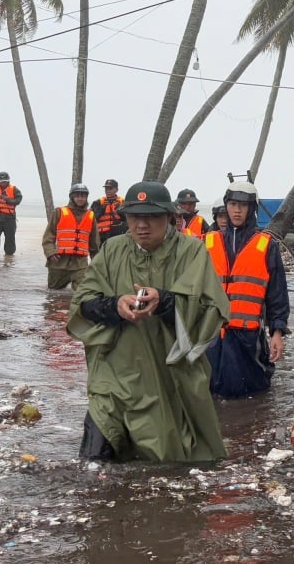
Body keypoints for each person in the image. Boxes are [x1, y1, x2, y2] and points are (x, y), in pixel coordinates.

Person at [67, 181, 230, 462]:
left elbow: (210, 310)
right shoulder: (111, 250)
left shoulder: (191, 251)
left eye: (151, 217)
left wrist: (165, 301)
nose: (142, 225)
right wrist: (114, 305)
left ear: (169, 217)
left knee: (170, 460)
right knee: (93, 459)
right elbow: (82, 304)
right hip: (116, 372)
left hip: (168, 374)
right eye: (135, 217)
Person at [204, 181, 290, 398]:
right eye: (232, 204)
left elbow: (277, 295)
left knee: (252, 391)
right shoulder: (207, 243)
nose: (236, 210)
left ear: (252, 209)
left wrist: (277, 333)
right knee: (212, 391)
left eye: (243, 205)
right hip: (212, 334)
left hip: (248, 335)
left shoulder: (265, 245)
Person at [43, 183, 101, 290]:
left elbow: (94, 243)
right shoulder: (59, 212)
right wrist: (50, 253)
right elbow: (48, 237)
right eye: (77, 196)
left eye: (83, 196)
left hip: (80, 264)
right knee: (53, 293)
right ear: (72, 197)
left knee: (81, 292)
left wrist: (96, 262)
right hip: (58, 262)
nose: (80, 198)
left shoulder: (91, 216)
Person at [90, 179, 127, 243]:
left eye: (110, 188)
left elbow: (127, 219)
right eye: (106, 189)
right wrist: (102, 209)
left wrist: (119, 210)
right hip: (101, 236)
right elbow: (93, 219)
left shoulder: (123, 202)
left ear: (116, 189)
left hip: (118, 234)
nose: (108, 191)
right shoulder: (98, 202)